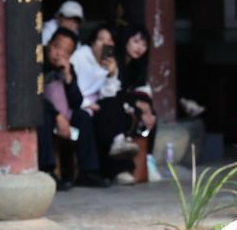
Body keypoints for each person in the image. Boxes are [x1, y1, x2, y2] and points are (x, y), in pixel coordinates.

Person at [38, 27, 108, 190]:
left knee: (83, 117)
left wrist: (69, 78)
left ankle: (87, 172)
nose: (59, 54)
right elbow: (34, 98)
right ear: (49, 44)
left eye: (66, 52)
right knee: (43, 117)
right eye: (57, 47)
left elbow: (76, 102)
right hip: (47, 115)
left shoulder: (68, 69)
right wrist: (57, 116)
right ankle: (47, 171)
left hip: (65, 118)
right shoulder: (38, 63)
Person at [70, 23, 139, 184]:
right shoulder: (80, 56)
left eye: (109, 40)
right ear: (92, 42)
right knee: (102, 117)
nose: (105, 44)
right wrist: (85, 103)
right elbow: (70, 86)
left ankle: (119, 163)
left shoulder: (111, 63)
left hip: (98, 106)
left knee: (115, 108)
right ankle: (118, 168)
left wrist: (111, 74)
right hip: (78, 104)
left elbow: (109, 94)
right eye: (101, 39)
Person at [95, 24, 158, 184]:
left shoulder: (136, 65)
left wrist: (147, 109)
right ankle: (120, 170)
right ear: (125, 40)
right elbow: (108, 89)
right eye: (136, 41)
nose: (140, 48)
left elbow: (140, 90)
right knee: (121, 113)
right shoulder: (110, 57)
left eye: (144, 44)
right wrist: (137, 104)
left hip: (121, 103)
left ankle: (147, 159)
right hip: (100, 103)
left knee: (150, 115)